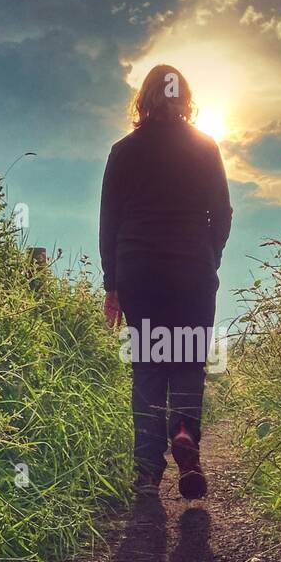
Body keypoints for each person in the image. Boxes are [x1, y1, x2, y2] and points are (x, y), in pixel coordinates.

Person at [99, 64, 232, 498]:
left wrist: (112, 284)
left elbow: (109, 221)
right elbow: (223, 213)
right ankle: (184, 435)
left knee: (150, 368)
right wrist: (208, 256)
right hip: (191, 269)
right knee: (189, 362)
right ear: (184, 98)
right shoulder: (205, 147)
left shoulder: (123, 150)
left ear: (144, 99)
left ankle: (147, 472)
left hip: (140, 271)